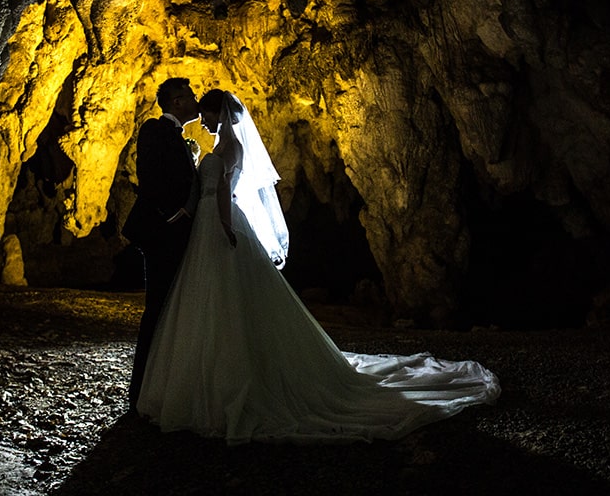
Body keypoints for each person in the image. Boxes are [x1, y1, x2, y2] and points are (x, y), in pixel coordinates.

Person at [136, 89, 500, 443]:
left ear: (221, 115)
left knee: (224, 297)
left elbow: (226, 189)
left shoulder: (232, 147)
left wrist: (226, 227)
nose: (203, 115)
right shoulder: (211, 146)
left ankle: (229, 377)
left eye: (208, 111)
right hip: (205, 226)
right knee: (210, 298)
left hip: (218, 223)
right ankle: (209, 376)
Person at [122, 77, 201, 409]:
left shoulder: (183, 139)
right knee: (156, 308)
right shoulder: (155, 129)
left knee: (170, 308)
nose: (196, 100)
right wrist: (176, 214)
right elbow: (151, 177)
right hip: (161, 232)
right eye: (191, 95)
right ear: (177, 102)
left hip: (175, 233)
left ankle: (162, 386)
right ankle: (141, 391)